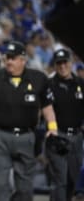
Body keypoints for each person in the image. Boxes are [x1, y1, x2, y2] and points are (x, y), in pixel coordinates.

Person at [0, 40, 58, 201]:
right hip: (0, 136)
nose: (9, 61)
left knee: (24, 186)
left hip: (27, 136)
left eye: (13, 58)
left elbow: (47, 106)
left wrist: (53, 127)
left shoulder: (39, 78)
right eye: (7, 57)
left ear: (23, 60)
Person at [46, 48, 84, 201]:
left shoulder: (80, 83)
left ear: (71, 62)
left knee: (74, 180)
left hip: (77, 136)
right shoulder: (49, 84)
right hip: (57, 135)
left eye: (65, 62)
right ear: (55, 65)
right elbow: (44, 109)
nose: (62, 66)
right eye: (59, 63)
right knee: (59, 180)